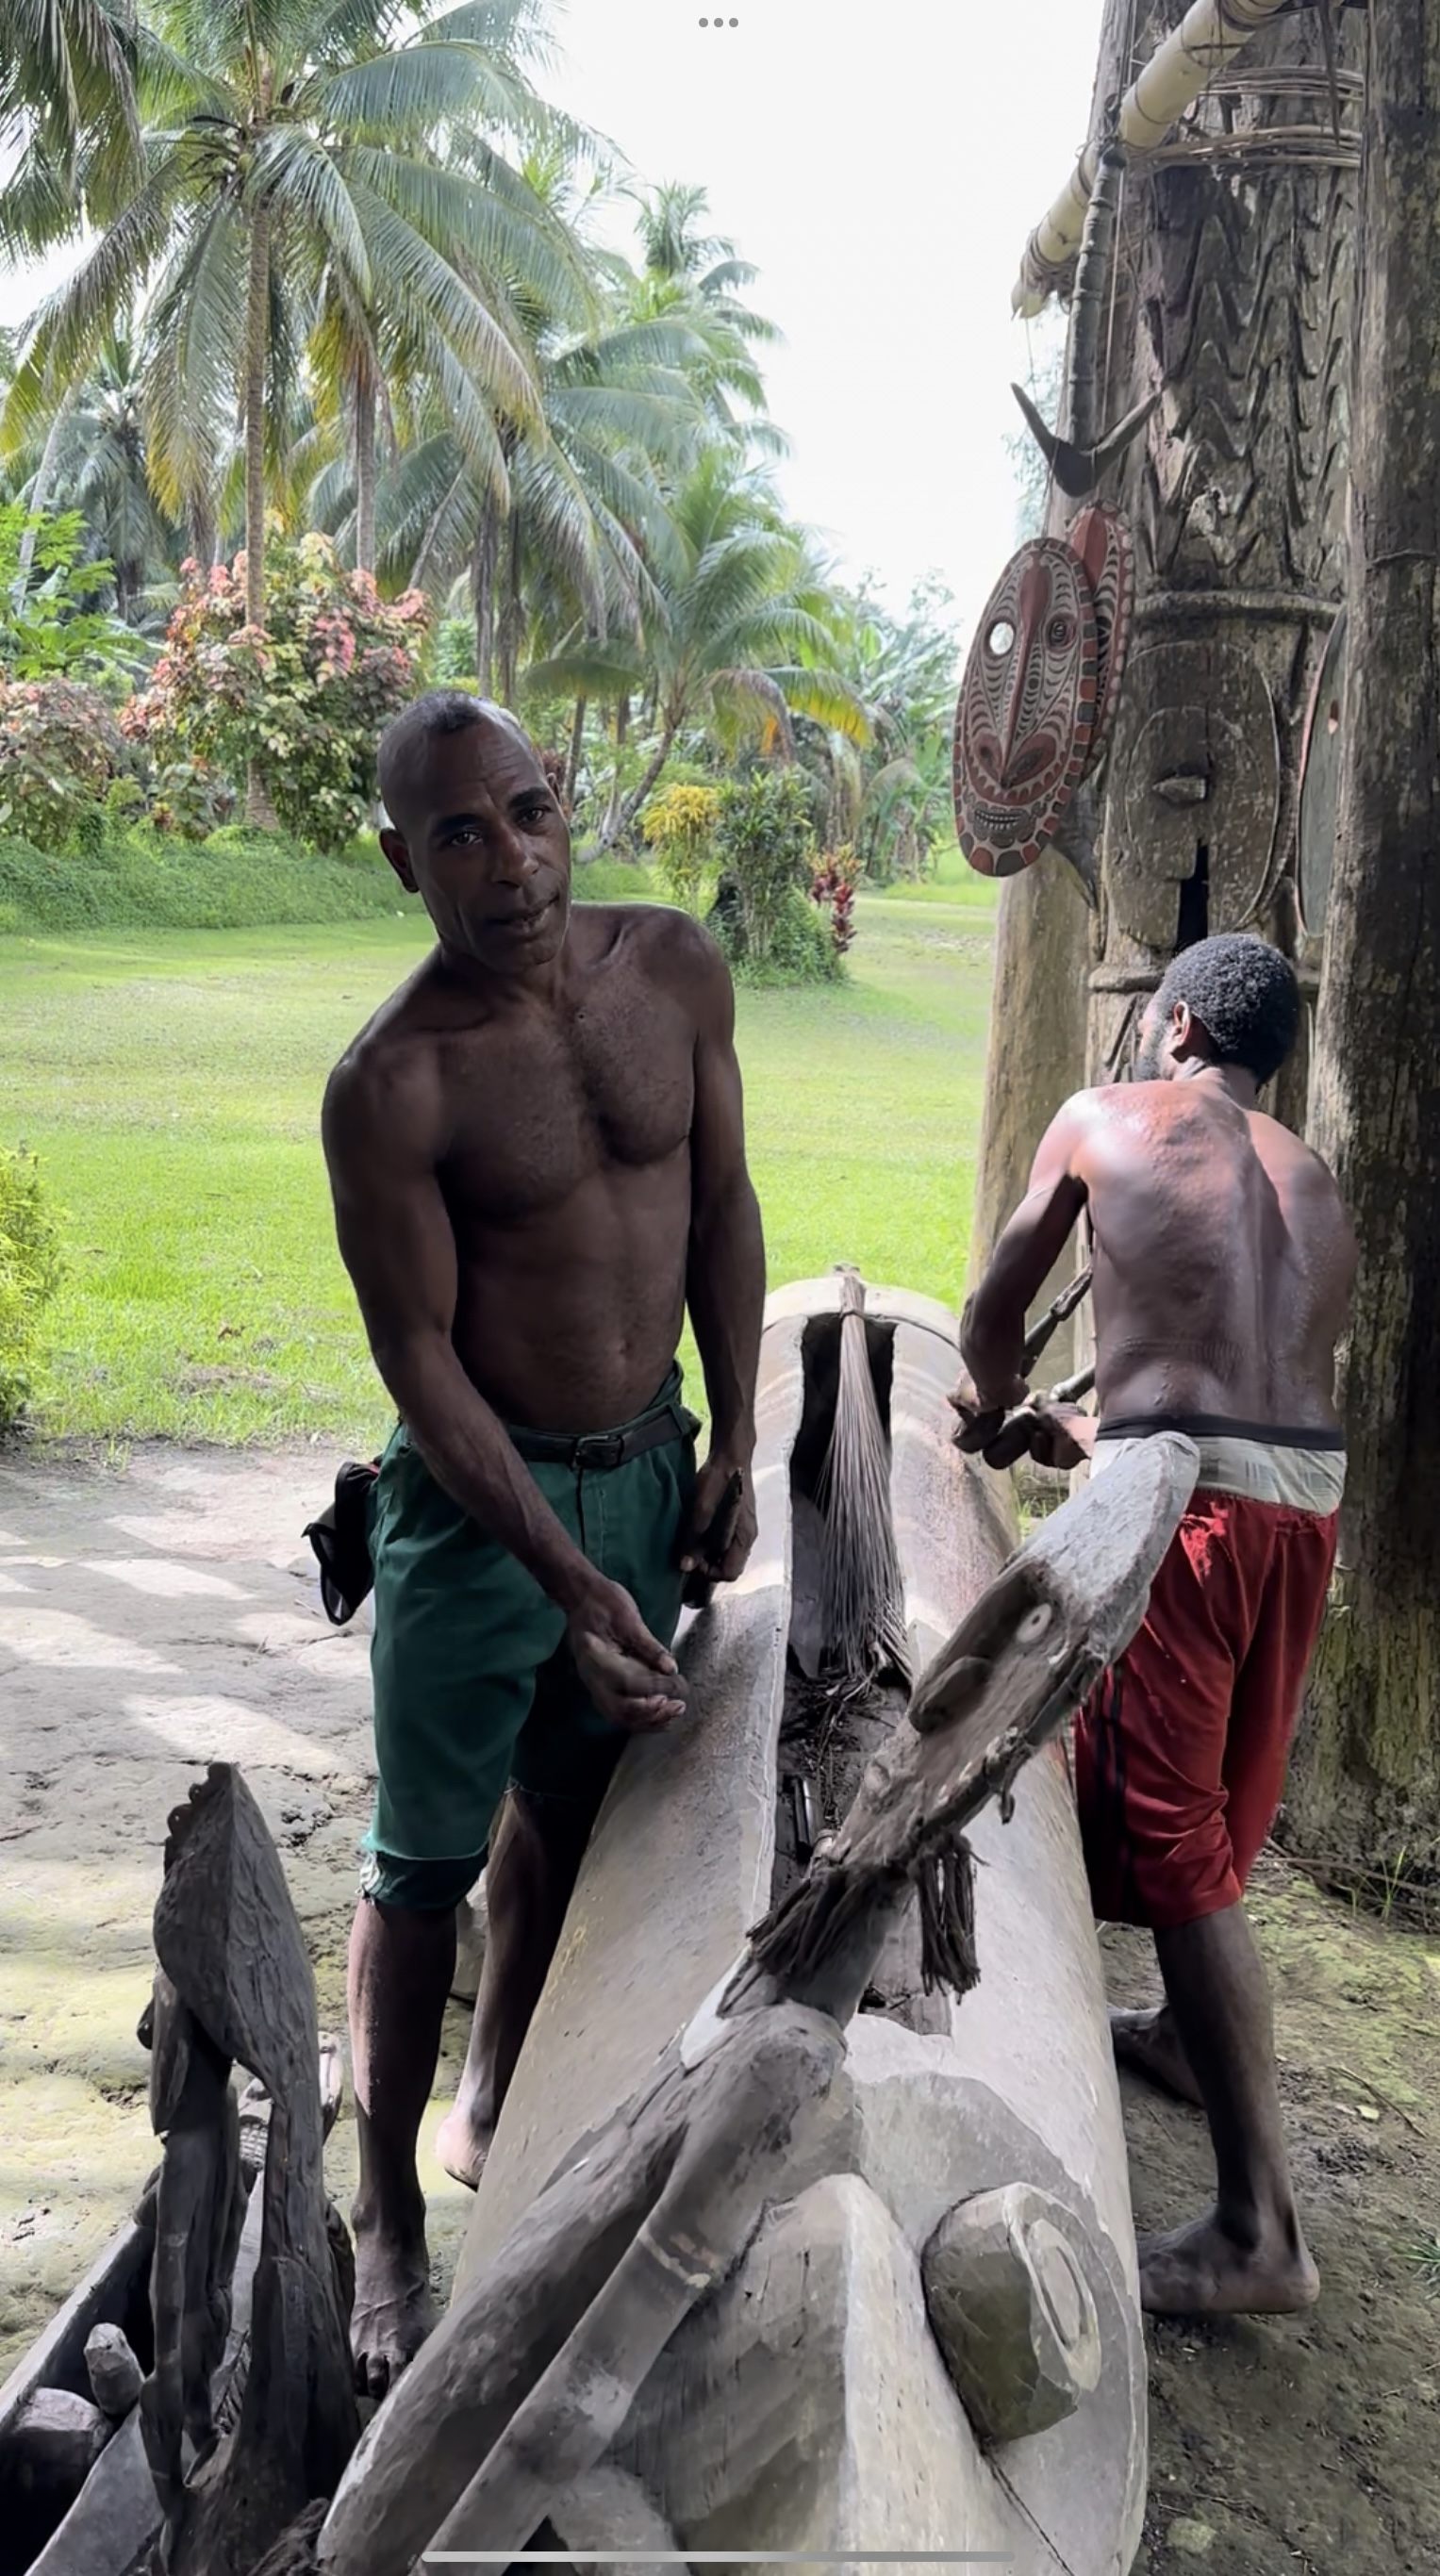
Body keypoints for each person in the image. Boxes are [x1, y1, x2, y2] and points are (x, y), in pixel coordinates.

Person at [322, 690, 765, 2395]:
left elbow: (722, 1204)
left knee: (576, 1809)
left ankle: (495, 2089)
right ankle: (383, 2214)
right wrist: (561, 1577)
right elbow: (422, 1364)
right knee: (420, 1865)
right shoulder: (393, 1083)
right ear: (402, 861)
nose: (508, 861)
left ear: (561, 801)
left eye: (527, 810)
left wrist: (736, 1434)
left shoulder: (676, 970)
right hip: (473, 1511)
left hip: (648, 1472)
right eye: (459, 834)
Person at [952, 933, 1355, 2320]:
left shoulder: (1103, 1114)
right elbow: (1237, 1389)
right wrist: (1087, 1435)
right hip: (1304, 1502)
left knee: (1170, 1834)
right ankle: (1188, 2038)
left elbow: (994, 1309)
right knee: (1228, 1799)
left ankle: (1261, 2233)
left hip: (1196, 1507)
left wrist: (989, 1408)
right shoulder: (1309, 1174)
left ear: (1175, 1023)